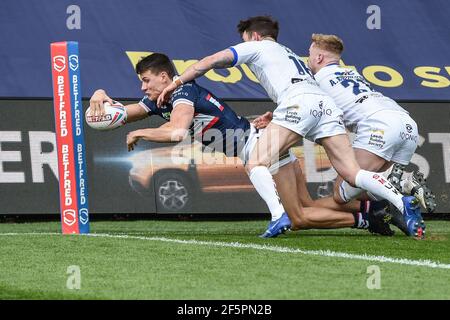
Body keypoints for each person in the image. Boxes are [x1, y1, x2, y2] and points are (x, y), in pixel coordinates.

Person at [157, 16, 425, 239]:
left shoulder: (258, 47)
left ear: (253, 36)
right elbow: (307, 92)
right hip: (324, 105)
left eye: (244, 39)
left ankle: (278, 216)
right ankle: (402, 203)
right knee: (352, 173)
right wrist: (275, 118)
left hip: (299, 104)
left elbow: (211, 61)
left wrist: (176, 82)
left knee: (256, 162)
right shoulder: (290, 54)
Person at [89, 53, 392, 238]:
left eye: (146, 80)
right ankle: (372, 208)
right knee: (307, 208)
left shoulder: (183, 93)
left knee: (299, 217)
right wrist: (99, 94)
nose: (142, 87)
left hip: (260, 147)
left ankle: (359, 219)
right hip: (263, 140)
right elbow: (121, 116)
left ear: (165, 76)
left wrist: (139, 134)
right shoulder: (161, 99)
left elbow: (178, 131)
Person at [253, 33, 436, 237]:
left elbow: (308, 119)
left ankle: (402, 182)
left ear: (319, 58)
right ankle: (388, 204)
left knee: (341, 193)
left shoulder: (315, 80)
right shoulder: (351, 73)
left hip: (379, 126)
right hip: (406, 123)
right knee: (371, 187)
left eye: (310, 55)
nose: (308, 60)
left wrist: (280, 123)